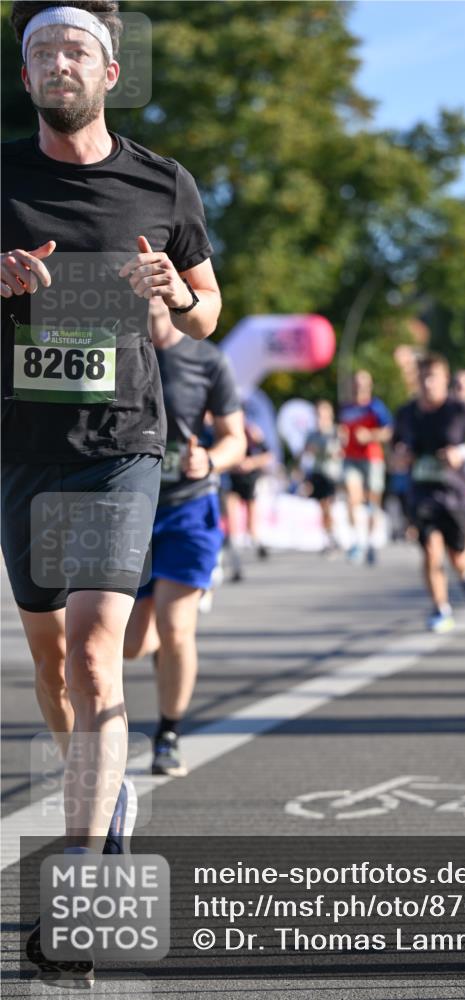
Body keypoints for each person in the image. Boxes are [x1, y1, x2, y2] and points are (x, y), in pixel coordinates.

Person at [1, 1, 220, 982]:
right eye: (40, 50)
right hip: (22, 448)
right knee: (52, 666)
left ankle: (80, 880)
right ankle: (105, 788)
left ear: (110, 68)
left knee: (95, 654)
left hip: (122, 446)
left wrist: (174, 292)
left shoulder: (161, 181)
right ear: (24, 76)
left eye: (74, 48)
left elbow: (210, 310)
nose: (58, 61)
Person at [123, 300, 245, 777]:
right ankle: (162, 641)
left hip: (189, 508)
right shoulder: (117, 347)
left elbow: (235, 438)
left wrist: (210, 460)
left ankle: (168, 734)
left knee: (177, 628)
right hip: (130, 509)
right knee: (131, 645)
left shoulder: (206, 359)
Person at [393, 353, 465, 633]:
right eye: (422, 378)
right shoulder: (407, 413)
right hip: (421, 491)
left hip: (455, 492)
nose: (427, 383)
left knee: (457, 555)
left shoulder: (460, 410)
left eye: (433, 377)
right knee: (431, 552)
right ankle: (440, 608)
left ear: (445, 380)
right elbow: (394, 448)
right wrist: (400, 455)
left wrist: (462, 452)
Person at [339, 369, 393, 564]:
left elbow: (388, 432)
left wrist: (370, 436)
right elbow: (342, 430)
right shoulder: (346, 408)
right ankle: (356, 542)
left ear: (369, 386)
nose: (359, 387)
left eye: (363, 383)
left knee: (372, 503)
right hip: (350, 458)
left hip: (372, 458)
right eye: (356, 383)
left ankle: (370, 542)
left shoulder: (375, 407)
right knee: (353, 499)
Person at [225, 418, 273, 580]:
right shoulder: (224, 431)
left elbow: (267, 455)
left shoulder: (251, 431)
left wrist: (251, 463)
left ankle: (258, 543)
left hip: (250, 481)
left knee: (251, 524)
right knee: (232, 524)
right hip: (232, 482)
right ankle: (236, 565)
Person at [302, 399, 343, 554]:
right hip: (318, 472)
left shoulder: (335, 431)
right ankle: (329, 536)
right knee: (322, 506)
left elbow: (338, 452)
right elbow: (306, 451)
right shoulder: (313, 434)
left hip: (332, 474)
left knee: (328, 505)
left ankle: (332, 535)